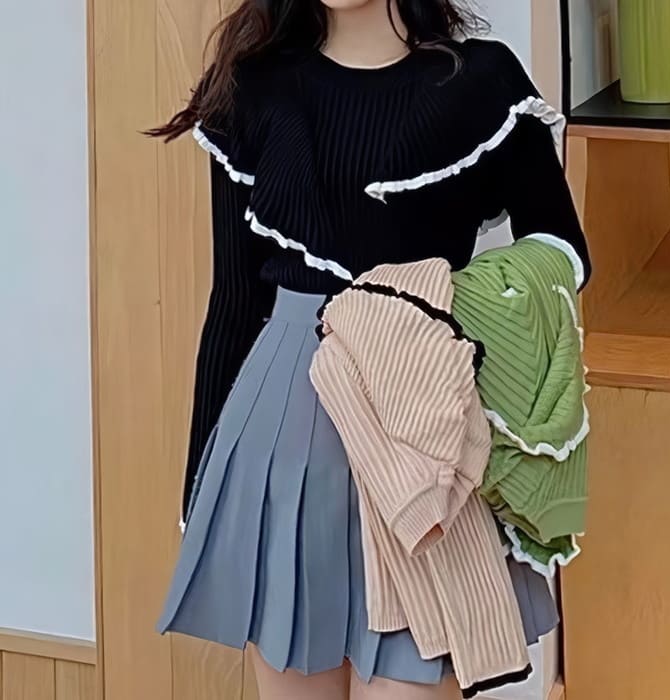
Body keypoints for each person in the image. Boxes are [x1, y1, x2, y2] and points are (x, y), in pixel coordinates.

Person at [148, 2, 591, 699]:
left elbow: (562, 253)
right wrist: (200, 495)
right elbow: (233, 303)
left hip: (423, 428)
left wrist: (432, 305)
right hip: (284, 433)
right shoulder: (255, 87)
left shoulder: (482, 80)